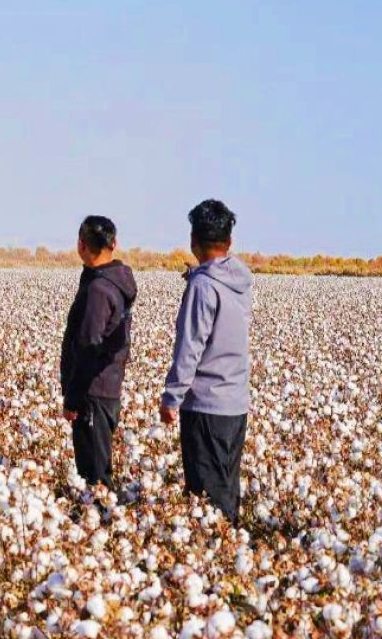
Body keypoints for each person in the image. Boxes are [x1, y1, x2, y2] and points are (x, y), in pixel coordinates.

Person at [160, 199, 254, 523]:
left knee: (205, 497)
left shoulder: (202, 285)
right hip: (235, 405)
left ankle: (214, 560)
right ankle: (229, 552)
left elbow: (191, 347)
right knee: (226, 487)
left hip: (205, 407)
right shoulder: (241, 281)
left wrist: (172, 397)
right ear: (229, 242)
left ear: (193, 242)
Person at [60, 216, 138, 490]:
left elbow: (88, 346)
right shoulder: (114, 281)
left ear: (81, 245)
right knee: (97, 463)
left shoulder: (98, 289)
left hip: (93, 392)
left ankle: (102, 519)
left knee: (94, 473)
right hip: (107, 386)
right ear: (114, 243)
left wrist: (73, 399)